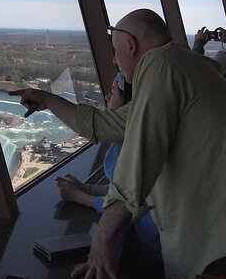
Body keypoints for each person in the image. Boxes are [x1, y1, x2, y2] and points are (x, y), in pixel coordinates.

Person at [10, 9, 226, 279]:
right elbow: (106, 124)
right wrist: (47, 99)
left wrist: (102, 237)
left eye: (114, 52)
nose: (113, 60)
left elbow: (139, 161)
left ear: (131, 45)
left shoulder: (161, 66)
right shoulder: (185, 67)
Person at [55, 71, 160, 255]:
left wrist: (76, 196)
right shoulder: (136, 135)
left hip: (153, 243)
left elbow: (121, 202)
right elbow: (118, 187)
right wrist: (84, 187)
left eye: (113, 92)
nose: (107, 96)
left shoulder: (130, 141)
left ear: (128, 101)